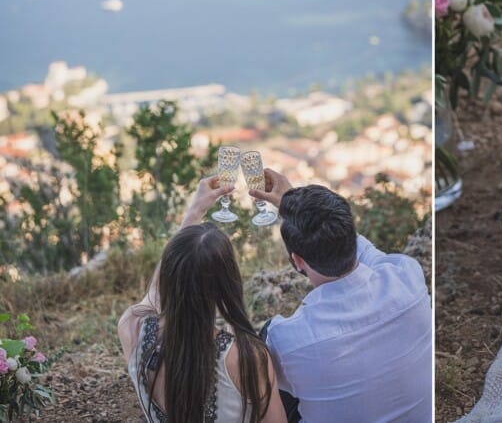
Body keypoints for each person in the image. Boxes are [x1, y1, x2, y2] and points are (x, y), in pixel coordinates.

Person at [247, 171, 432, 423]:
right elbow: (361, 248)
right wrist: (297, 207)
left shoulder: (287, 338)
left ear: (297, 261)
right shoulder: (406, 276)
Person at [118, 177, 287, 423]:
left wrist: (195, 211)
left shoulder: (132, 327)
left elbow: (156, 292)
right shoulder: (244, 357)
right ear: (226, 286)